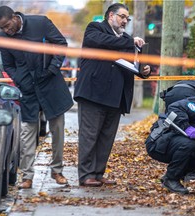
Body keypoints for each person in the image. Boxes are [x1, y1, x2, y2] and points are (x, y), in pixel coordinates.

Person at [0, 6, 74, 189]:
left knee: (58, 130)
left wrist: (53, 68)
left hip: (50, 84)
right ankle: (27, 176)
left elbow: (61, 44)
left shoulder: (41, 23)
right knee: (27, 132)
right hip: (28, 89)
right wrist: (21, 81)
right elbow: (8, 65)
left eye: (7, 25)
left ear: (15, 17)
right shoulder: (4, 38)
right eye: (2, 28)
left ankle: (57, 171)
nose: (6, 30)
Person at [73, 3, 151, 187]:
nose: (125, 21)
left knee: (106, 138)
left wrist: (144, 71)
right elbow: (103, 42)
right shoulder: (95, 29)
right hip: (92, 94)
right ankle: (85, 175)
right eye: (122, 16)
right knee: (89, 135)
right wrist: (130, 41)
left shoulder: (126, 39)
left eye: (127, 18)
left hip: (115, 97)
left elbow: (131, 65)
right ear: (110, 16)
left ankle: (98, 173)